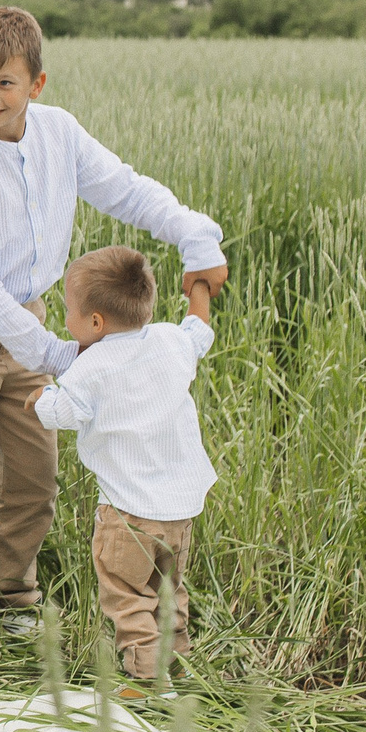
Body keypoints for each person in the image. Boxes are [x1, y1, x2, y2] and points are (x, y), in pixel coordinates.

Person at [0, 6, 227, 687]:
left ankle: (7, 595)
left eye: (4, 83)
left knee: (33, 476)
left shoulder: (60, 134)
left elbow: (127, 190)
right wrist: (58, 354)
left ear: (37, 84)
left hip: (33, 320)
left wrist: (196, 234)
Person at [30, 247, 218, 700]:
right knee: (169, 590)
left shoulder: (92, 367)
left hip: (128, 515)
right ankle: (177, 664)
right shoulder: (171, 340)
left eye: (69, 313)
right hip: (179, 512)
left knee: (128, 595)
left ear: (95, 323)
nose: (66, 321)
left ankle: (146, 680)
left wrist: (34, 395)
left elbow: (58, 412)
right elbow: (201, 326)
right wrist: (200, 285)